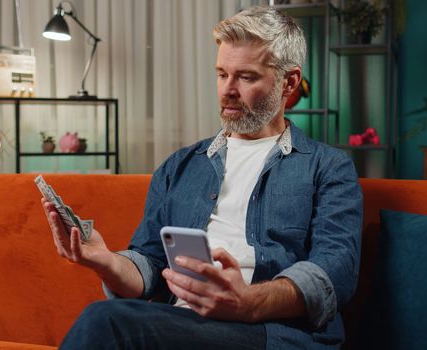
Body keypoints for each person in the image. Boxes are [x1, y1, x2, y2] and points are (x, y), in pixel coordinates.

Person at [42, 6, 362, 349]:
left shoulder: (328, 167)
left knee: (103, 319)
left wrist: (248, 303)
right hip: (184, 325)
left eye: (247, 77)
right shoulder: (179, 166)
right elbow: (149, 267)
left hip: (273, 333)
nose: (228, 90)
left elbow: (335, 271)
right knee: (109, 317)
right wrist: (106, 262)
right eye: (222, 74)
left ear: (289, 82)